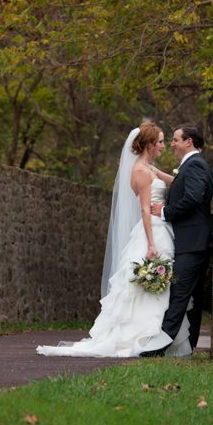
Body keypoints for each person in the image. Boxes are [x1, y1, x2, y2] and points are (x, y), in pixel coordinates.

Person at [36, 122, 191, 358]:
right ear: (149, 144)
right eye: (160, 142)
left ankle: (159, 338)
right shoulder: (140, 171)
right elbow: (144, 209)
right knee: (142, 287)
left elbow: (174, 181)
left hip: (162, 228)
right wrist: (151, 244)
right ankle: (143, 336)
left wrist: (186, 170)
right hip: (152, 232)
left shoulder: (149, 168)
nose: (163, 145)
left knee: (162, 283)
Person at [140, 124, 213, 357]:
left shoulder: (195, 165)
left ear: (188, 141)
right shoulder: (191, 165)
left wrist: (165, 211)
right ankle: (188, 346)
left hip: (193, 242)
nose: (171, 144)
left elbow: (193, 197)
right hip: (193, 242)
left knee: (179, 293)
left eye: (175, 140)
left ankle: (159, 348)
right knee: (191, 296)